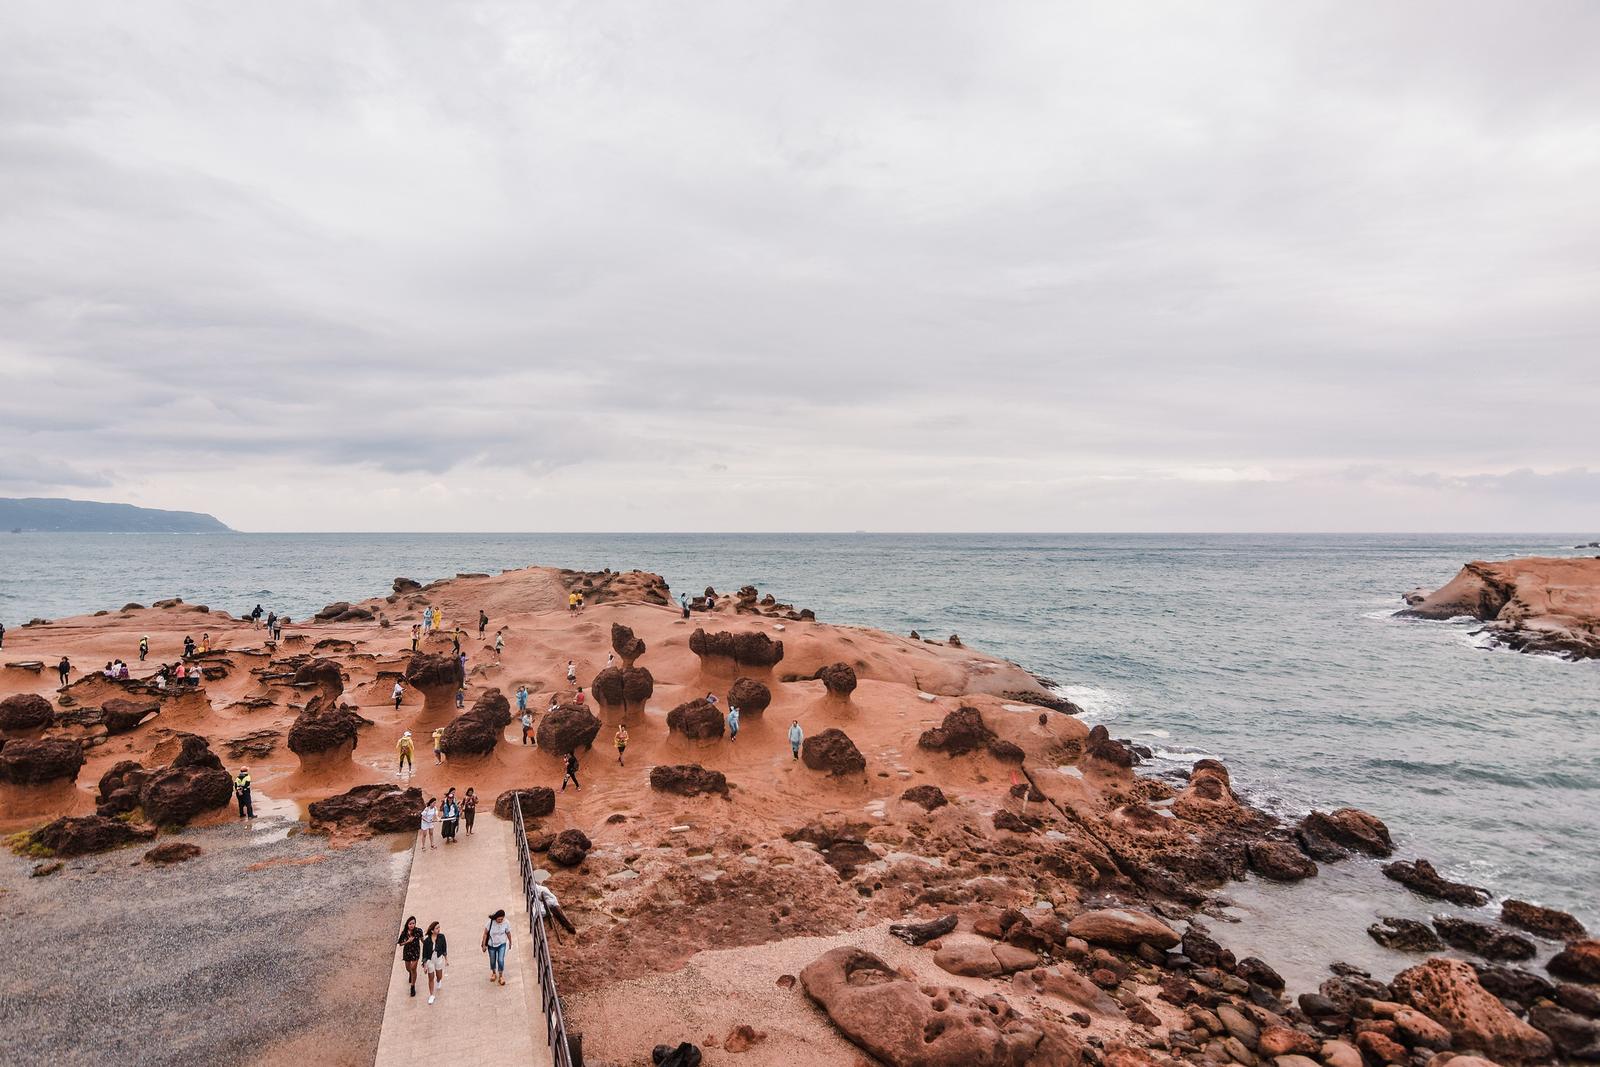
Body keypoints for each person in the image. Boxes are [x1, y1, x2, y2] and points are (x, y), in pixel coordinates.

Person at [421, 921, 448, 1004]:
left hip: (438, 958)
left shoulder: (442, 937)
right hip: (430, 961)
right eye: (437, 928)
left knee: (439, 975)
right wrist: (425, 965)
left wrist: (446, 959)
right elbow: (424, 953)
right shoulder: (427, 941)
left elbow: (444, 948)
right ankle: (431, 995)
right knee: (431, 977)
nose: (439, 929)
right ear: (432, 931)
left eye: (439, 927)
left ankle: (439, 981)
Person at [483, 909, 511, 985]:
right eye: (499, 919)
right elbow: (485, 933)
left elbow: (508, 933)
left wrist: (510, 942)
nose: (500, 920)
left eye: (502, 919)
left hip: (502, 944)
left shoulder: (506, 923)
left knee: (500, 960)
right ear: (496, 918)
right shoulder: (490, 922)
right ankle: (494, 973)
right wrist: (483, 945)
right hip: (491, 945)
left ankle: (501, 976)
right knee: (492, 960)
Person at [397, 916, 423, 998]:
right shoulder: (404, 933)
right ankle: (410, 974)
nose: (412, 925)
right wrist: (407, 941)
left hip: (416, 952)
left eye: (413, 923)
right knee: (408, 968)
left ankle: (412, 986)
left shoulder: (418, 931)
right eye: (410, 924)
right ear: (407, 924)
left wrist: (428, 946)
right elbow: (400, 944)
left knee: (413, 968)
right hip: (407, 952)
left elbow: (422, 940)